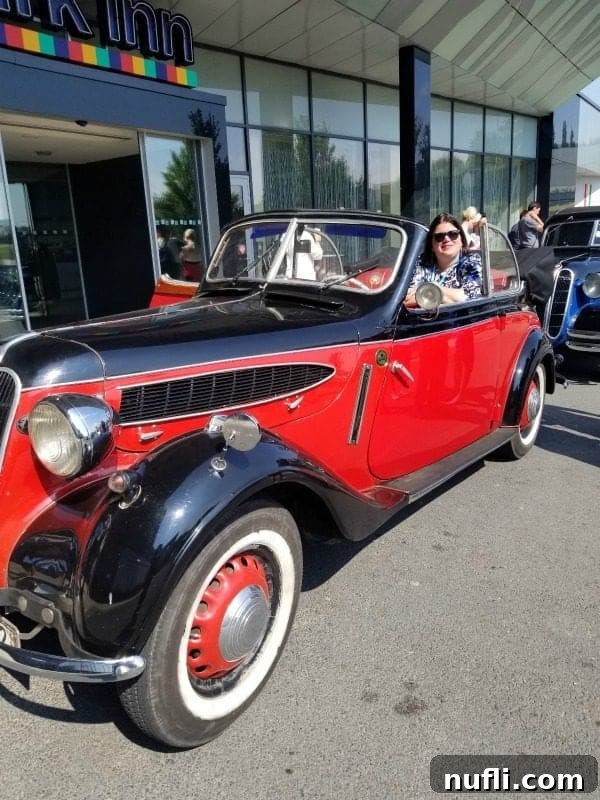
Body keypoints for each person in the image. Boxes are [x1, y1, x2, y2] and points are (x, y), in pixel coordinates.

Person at [406, 213, 482, 306]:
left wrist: (432, 290)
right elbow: (407, 297)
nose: (446, 239)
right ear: (432, 245)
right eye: (439, 236)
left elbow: (471, 297)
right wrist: (445, 297)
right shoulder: (422, 262)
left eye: (453, 234)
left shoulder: (471, 262)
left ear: (461, 240)